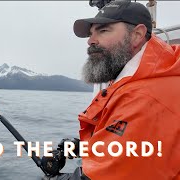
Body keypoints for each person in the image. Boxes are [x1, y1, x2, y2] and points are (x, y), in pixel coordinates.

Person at [44, 1, 180, 180]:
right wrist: (77, 147)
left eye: (103, 30)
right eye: (91, 33)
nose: (91, 41)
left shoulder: (145, 98)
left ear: (137, 35)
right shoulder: (142, 76)